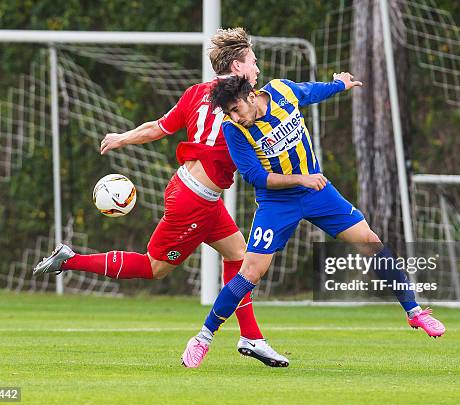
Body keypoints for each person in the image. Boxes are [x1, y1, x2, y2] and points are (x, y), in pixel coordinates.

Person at [32, 27, 289, 367]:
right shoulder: (244, 102)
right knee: (154, 268)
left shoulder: (198, 92)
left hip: (196, 194)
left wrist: (123, 137)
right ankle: (70, 259)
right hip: (194, 199)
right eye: (253, 62)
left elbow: (159, 126)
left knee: (240, 257)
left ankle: (252, 338)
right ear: (238, 66)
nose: (257, 69)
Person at [181, 74, 446, 368]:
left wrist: (339, 85)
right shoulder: (234, 131)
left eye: (236, 109)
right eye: (229, 113)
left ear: (252, 96)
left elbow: (310, 92)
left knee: (370, 241)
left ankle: (415, 312)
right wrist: (300, 179)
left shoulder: (282, 91)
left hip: (318, 193)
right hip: (277, 202)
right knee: (251, 272)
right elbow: (255, 177)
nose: (235, 116)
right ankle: (203, 339)